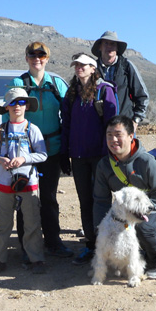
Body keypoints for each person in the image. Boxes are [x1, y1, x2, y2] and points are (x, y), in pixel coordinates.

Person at [10, 42, 72, 258]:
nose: (37, 58)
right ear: (26, 58)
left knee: (48, 197)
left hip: (52, 149)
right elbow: (8, 114)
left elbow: (68, 115)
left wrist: (66, 149)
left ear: (47, 58)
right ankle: (26, 245)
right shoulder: (19, 83)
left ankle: (53, 241)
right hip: (25, 151)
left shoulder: (56, 83)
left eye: (41, 55)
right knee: (24, 197)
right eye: (32, 54)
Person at [93, 115, 156, 279]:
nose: (114, 140)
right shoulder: (104, 165)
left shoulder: (147, 162)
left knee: (143, 225)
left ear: (130, 136)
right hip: (124, 214)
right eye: (109, 135)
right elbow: (101, 200)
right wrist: (99, 227)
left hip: (154, 211)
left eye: (118, 134)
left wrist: (144, 211)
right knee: (111, 227)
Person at [60, 53, 118, 266]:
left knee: (101, 201)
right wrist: (64, 153)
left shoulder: (105, 91)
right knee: (85, 201)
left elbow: (111, 126)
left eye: (83, 65)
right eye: (76, 65)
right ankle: (91, 245)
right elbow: (66, 124)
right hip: (78, 156)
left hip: (99, 156)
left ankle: (107, 245)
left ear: (93, 68)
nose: (79, 68)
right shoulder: (71, 93)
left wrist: (107, 156)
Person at [0, 87, 48, 275]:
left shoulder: (33, 129)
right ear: (6, 107)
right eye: (13, 103)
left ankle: (36, 259)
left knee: (32, 221)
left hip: (28, 182)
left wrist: (24, 159)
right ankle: (0, 258)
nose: (17, 106)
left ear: (27, 106)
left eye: (21, 102)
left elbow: (43, 154)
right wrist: (0, 160)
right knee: (3, 223)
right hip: (5, 183)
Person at [91, 30, 149, 130]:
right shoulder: (92, 69)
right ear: (100, 47)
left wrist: (136, 120)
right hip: (97, 126)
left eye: (113, 44)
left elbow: (142, 96)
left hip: (123, 125)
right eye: (106, 43)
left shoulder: (126, 66)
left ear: (117, 48)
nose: (109, 47)